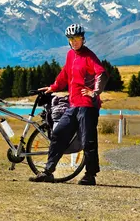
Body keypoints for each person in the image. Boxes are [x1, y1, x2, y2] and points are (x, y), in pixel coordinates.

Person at [29, 23, 108, 186]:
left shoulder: (89, 56)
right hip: (73, 104)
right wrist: (53, 87)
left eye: (77, 38)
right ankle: (48, 172)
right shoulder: (70, 55)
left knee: (88, 141)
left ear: (83, 39)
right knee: (58, 134)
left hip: (88, 106)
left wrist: (95, 92)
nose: (74, 41)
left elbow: (102, 73)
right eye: (71, 39)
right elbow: (65, 74)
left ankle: (90, 175)